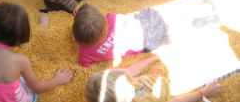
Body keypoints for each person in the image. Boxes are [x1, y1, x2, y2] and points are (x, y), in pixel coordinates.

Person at [0, 2, 73, 102]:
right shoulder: (19, 60)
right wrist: (58, 80)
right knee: (23, 82)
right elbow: (38, 88)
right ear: (19, 37)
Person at [85, 54, 221, 102]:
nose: (132, 80)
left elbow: (130, 71)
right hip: (169, 92)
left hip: (157, 79)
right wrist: (203, 93)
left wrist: (153, 58)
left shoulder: (112, 78)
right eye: (130, 87)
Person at [72, 4, 169, 67]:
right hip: (140, 38)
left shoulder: (85, 52)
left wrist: (75, 42)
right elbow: (126, 19)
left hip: (140, 40)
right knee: (150, 25)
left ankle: (162, 27)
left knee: (151, 27)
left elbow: (84, 64)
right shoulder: (111, 18)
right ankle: (162, 25)